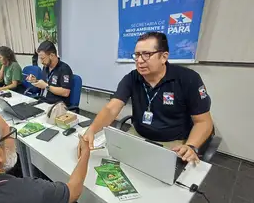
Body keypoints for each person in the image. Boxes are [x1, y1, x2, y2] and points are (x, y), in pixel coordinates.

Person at [79, 32, 213, 165]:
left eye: (146, 54)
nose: (140, 60)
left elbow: (203, 122)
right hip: (138, 136)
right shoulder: (132, 78)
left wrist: (191, 146)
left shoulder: (188, 79)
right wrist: (92, 130)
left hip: (174, 143)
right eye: (137, 55)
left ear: (163, 57)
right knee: (116, 167)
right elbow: (111, 108)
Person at [27, 41, 73, 106]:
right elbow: (46, 83)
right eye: (40, 59)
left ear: (52, 55)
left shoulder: (64, 69)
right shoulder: (45, 67)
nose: (41, 62)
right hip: (43, 102)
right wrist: (36, 81)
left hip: (56, 106)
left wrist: (46, 86)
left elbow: (66, 92)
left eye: (43, 59)